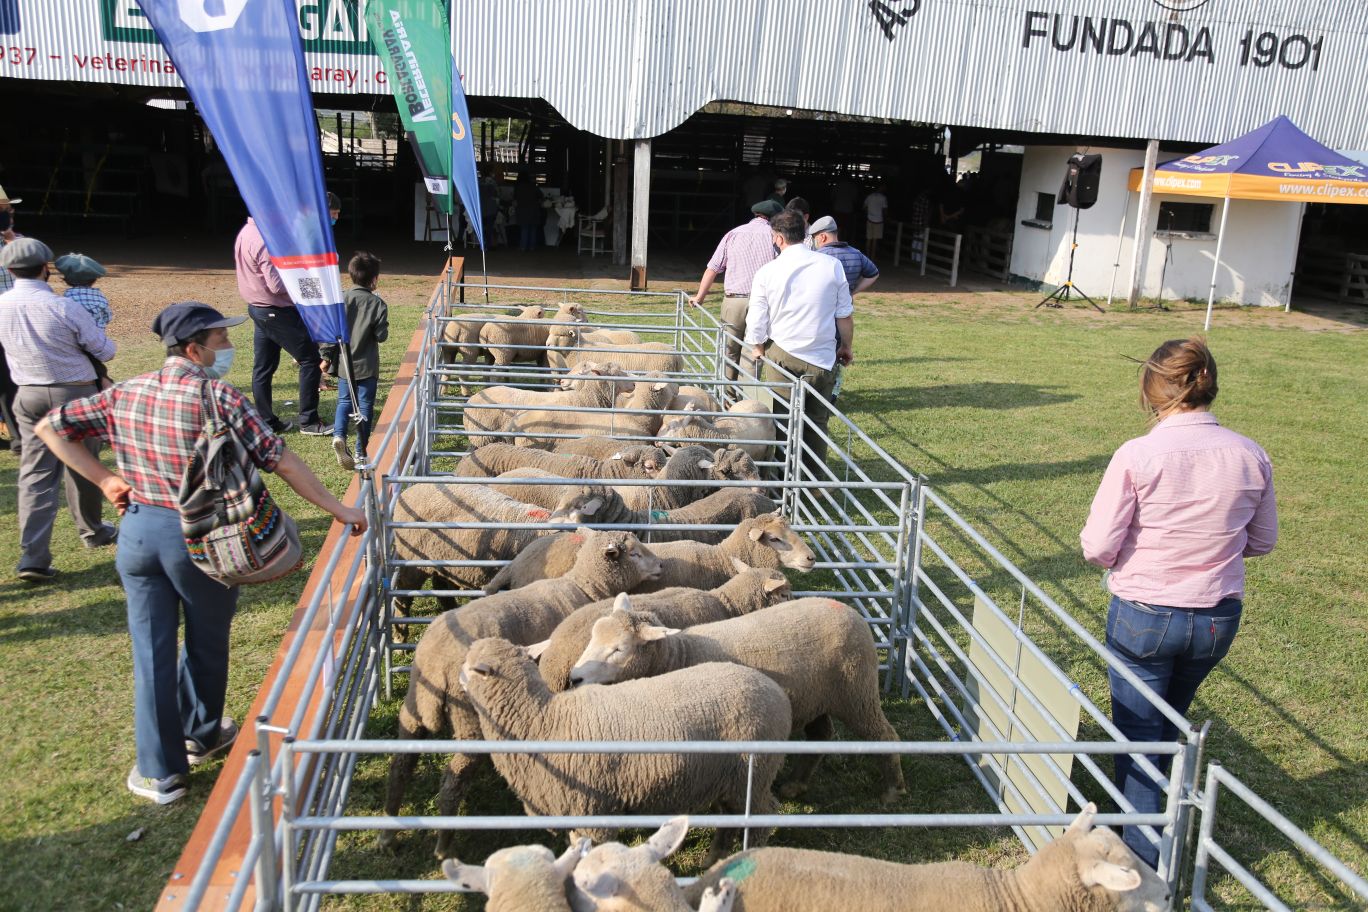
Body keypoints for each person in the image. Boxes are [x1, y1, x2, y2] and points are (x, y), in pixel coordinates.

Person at [36, 302, 368, 804]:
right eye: (221, 340)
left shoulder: (125, 391)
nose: (228, 347)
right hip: (203, 537)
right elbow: (281, 461)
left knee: (151, 651)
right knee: (206, 641)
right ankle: (201, 733)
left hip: (139, 533)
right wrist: (338, 509)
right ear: (194, 350)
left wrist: (105, 480)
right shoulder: (219, 398)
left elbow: (50, 428)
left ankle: (160, 772)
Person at [1080, 337, 1276, 868]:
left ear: (1152, 390)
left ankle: (1143, 866)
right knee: (1170, 722)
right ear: (1208, 385)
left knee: (1142, 736)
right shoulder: (1250, 454)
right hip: (1216, 619)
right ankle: (1162, 821)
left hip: (1144, 614)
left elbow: (1098, 546)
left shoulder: (1138, 454)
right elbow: (1262, 541)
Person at [0, 237, 118, 582]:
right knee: (83, 465)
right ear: (46, 268)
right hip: (75, 393)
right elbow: (105, 350)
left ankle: (33, 557)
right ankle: (93, 530)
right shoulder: (63, 307)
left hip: (28, 394)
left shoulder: (2, 305)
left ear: (9, 270)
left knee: (35, 474)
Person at [744, 210, 853, 473]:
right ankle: (812, 483)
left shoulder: (768, 271)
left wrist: (757, 346)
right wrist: (846, 347)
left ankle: (784, 479)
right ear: (804, 234)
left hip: (782, 354)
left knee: (783, 418)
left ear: (779, 238)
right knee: (816, 421)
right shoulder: (831, 266)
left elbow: (757, 315)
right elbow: (844, 314)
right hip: (821, 355)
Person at [234, 192, 342, 436]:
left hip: (258, 308)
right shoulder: (265, 240)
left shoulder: (246, 232)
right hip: (276, 310)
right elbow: (276, 285)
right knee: (310, 359)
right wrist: (306, 277)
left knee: (263, 367)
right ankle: (309, 421)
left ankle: (266, 420)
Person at [688, 199, 782, 381]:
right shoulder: (776, 238)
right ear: (775, 218)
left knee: (729, 350)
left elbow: (713, 268)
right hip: (762, 302)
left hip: (734, 301)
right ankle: (746, 396)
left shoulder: (733, 234)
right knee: (753, 352)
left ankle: (727, 393)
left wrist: (700, 296)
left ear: (756, 214)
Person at [321, 252, 389, 470]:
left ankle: (339, 435)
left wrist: (325, 357)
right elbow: (381, 336)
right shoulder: (377, 304)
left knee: (344, 402)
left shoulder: (341, 300)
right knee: (365, 406)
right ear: (374, 279)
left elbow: (330, 332)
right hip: (367, 366)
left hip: (344, 364)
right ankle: (360, 452)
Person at [0, 184, 24, 452]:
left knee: (10, 379)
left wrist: (9, 237)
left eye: (10, 210)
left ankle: (18, 435)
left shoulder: (19, 241)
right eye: (5, 211)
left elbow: (31, 265)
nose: (10, 214)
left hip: (13, 321)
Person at [809, 216, 879, 296]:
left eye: (814, 238)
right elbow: (874, 274)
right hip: (847, 303)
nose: (814, 241)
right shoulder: (856, 254)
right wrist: (853, 292)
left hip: (824, 303)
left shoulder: (817, 256)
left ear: (823, 237)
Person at [55, 252, 112, 328]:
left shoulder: (67, 298)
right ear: (94, 280)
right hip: (97, 334)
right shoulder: (100, 297)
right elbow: (107, 317)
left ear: (67, 280)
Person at [514, 171, 543, 252]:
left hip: (522, 210)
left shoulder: (518, 187)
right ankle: (532, 247)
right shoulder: (533, 186)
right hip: (534, 210)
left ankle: (523, 247)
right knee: (533, 229)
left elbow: (514, 198)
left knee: (524, 229)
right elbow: (541, 195)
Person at [862, 184, 890, 257]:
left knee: (868, 239)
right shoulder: (883, 198)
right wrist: (886, 218)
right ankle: (873, 256)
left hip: (869, 219)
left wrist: (868, 213)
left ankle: (867, 256)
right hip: (879, 221)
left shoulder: (869, 196)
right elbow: (885, 210)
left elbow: (864, 207)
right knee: (875, 240)